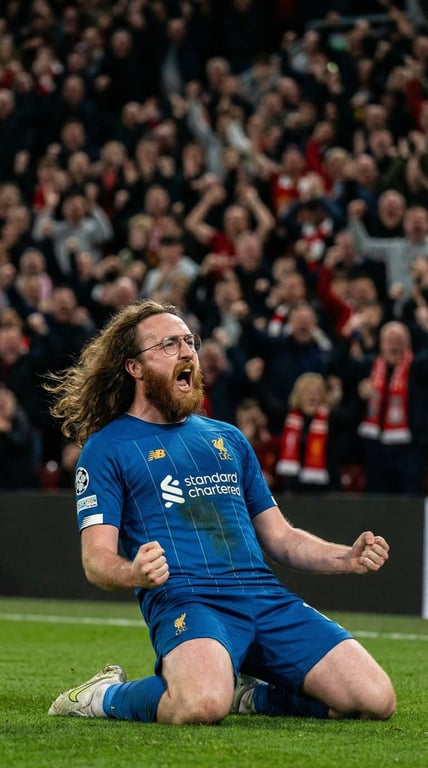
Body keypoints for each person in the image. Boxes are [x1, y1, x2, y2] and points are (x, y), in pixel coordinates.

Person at [45, 298, 395, 724]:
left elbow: (280, 538)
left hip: (263, 596)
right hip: (188, 600)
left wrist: (345, 557)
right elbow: (96, 559)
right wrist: (133, 573)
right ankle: (101, 695)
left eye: (189, 341)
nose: (187, 352)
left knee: (375, 700)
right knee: (201, 705)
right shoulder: (107, 447)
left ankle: (252, 697)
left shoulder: (227, 438)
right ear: (134, 367)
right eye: (168, 344)